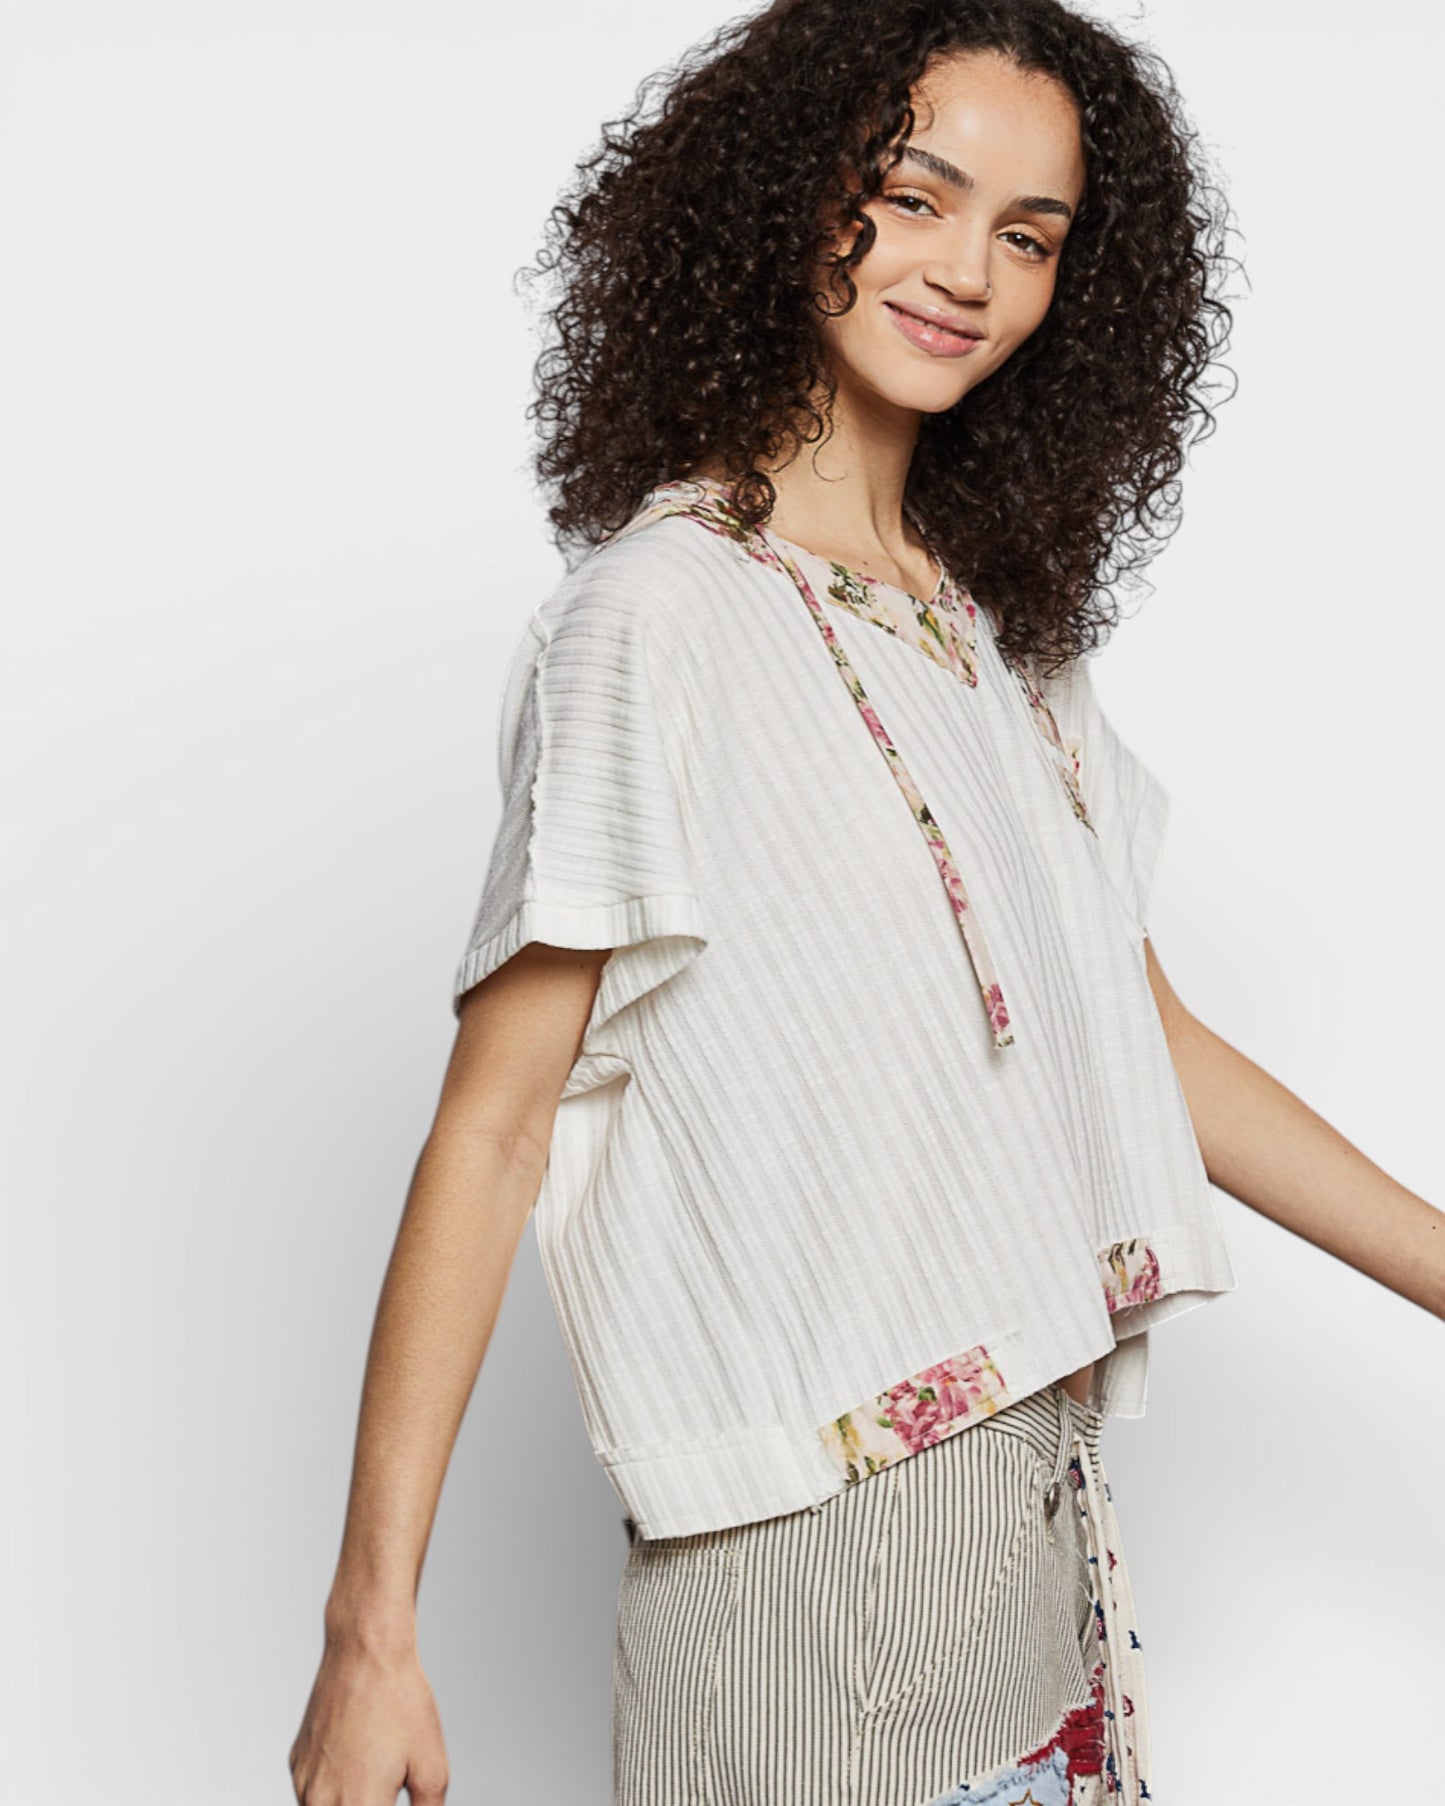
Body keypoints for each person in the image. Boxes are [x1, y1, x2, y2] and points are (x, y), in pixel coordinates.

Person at [289, 2, 1445, 1802]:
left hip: (1036, 1568)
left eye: (1029, 235)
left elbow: (1141, 1042)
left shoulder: (998, 638)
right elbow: (496, 1127)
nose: (965, 271)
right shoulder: (654, 618)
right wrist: (372, 1634)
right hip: (801, 1600)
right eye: (914, 196)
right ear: (782, 198)